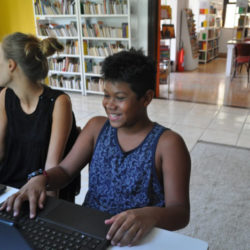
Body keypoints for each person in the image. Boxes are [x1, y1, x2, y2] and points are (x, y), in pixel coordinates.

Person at [1, 49, 191, 247]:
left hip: (137, 236)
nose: (109, 104)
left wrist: (150, 215)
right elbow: (65, 171)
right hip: (90, 229)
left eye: (120, 97)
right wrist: (42, 178)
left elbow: (180, 212)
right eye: (106, 95)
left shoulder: (168, 144)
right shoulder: (96, 128)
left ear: (146, 98)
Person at [0, 32, 79, 201]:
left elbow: (52, 166)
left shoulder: (58, 102)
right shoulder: (5, 95)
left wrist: (48, 213)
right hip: (8, 189)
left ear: (11, 65)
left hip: (37, 192)